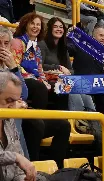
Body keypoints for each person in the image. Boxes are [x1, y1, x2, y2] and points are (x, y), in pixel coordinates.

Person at [11, 13, 71, 168]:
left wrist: (45, 80)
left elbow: (40, 70)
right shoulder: (18, 43)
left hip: (33, 81)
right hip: (20, 81)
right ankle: (37, 116)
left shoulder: (36, 47)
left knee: (64, 125)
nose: (36, 27)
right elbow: (15, 66)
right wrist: (39, 80)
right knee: (38, 87)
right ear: (25, 24)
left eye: (38, 24)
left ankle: (57, 168)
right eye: (32, 23)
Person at [0, 72, 48, 181]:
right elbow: (18, 157)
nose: (13, 107)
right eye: (9, 101)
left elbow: (17, 167)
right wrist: (16, 157)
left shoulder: (9, 119)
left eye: (15, 101)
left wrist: (23, 178)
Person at [0, 26, 29, 159]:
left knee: (61, 126)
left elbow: (24, 94)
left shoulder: (9, 66)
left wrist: (13, 68)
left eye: (6, 43)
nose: (2, 47)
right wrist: (13, 104)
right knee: (14, 115)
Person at [38, 17, 71, 111]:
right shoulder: (42, 44)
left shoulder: (63, 48)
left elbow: (70, 69)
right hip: (46, 80)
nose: (59, 29)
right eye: (55, 27)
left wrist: (66, 72)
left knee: (84, 95)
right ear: (50, 29)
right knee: (65, 89)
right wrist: (59, 68)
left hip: (62, 80)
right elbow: (39, 66)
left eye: (61, 27)